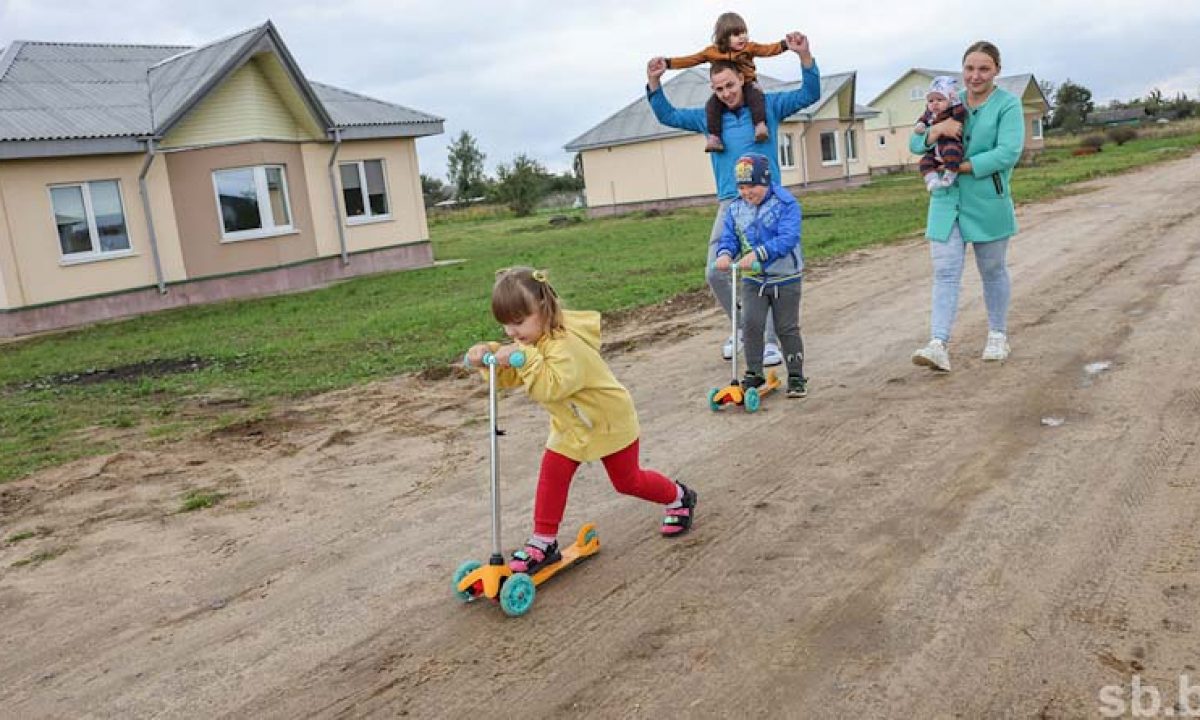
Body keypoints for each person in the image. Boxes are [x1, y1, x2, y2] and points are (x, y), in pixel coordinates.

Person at [464, 268, 698, 575]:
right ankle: (543, 541)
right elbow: (515, 373)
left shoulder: (566, 345)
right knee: (553, 473)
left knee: (628, 481)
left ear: (543, 309)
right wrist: (490, 356)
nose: (511, 332)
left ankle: (680, 497)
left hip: (608, 420)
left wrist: (524, 356)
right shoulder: (532, 341)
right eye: (505, 324)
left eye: (518, 322)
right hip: (571, 425)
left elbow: (552, 385)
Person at [646, 31, 820, 368]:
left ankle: (768, 342)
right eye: (718, 89)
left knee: (765, 270)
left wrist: (805, 57)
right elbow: (668, 115)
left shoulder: (767, 108)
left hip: (769, 203)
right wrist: (654, 82)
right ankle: (743, 327)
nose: (726, 93)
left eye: (730, 85)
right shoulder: (709, 120)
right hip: (731, 204)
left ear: (742, 78)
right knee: (715, 271)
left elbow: (809, 93)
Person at [909, 41, 1025, 372]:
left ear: (996, 71)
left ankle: (998, 334)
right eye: (970, 68)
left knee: (992, 270)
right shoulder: (947, 100)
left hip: (988, 199)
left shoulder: (1007, 105)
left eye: (984, 69)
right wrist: (937, 130)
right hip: (946, 201)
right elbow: (915, 142)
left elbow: (1008, 152)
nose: (975, 76)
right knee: (945, 272)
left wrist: (961, 166)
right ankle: (938, 344)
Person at [713, 153, 808, 398]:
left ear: (765, 182)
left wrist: (759, 254)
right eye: (742, 187)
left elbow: (788, 239)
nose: (747, 192)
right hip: (753, 279)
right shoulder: (735, 208)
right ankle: (754, 372)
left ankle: (796, 375)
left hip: (785, 277)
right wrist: (724, 254)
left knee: (786, 328)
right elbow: (730, 238)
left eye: (752, 186)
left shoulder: (786, 204)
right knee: (751, 324)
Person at [662, 11, 788, 152]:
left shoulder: (750, 47)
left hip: (747, 83)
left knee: (756, 97)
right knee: (712, 105)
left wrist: (785, 44)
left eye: (744, 33)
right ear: (723, 38)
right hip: (729, 87)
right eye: (736, 35)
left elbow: (768, 49)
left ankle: (760, 125)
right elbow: (692, 59)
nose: (742, 38)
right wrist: (668, 63)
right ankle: (715, 137)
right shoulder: (713, 52)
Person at [915, 76, 968, 191]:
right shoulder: (929, 114)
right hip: (935, 149)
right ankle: (931, 179)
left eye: (940, 100)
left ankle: (949, 175)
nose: (935, 104)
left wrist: (956, 102)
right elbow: (922, 120)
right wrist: (920, 125)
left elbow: (960, 115)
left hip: (950, 142)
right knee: (925, 162)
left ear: (949, 101)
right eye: (931, 101)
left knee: (952, 153)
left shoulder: (951, 111)